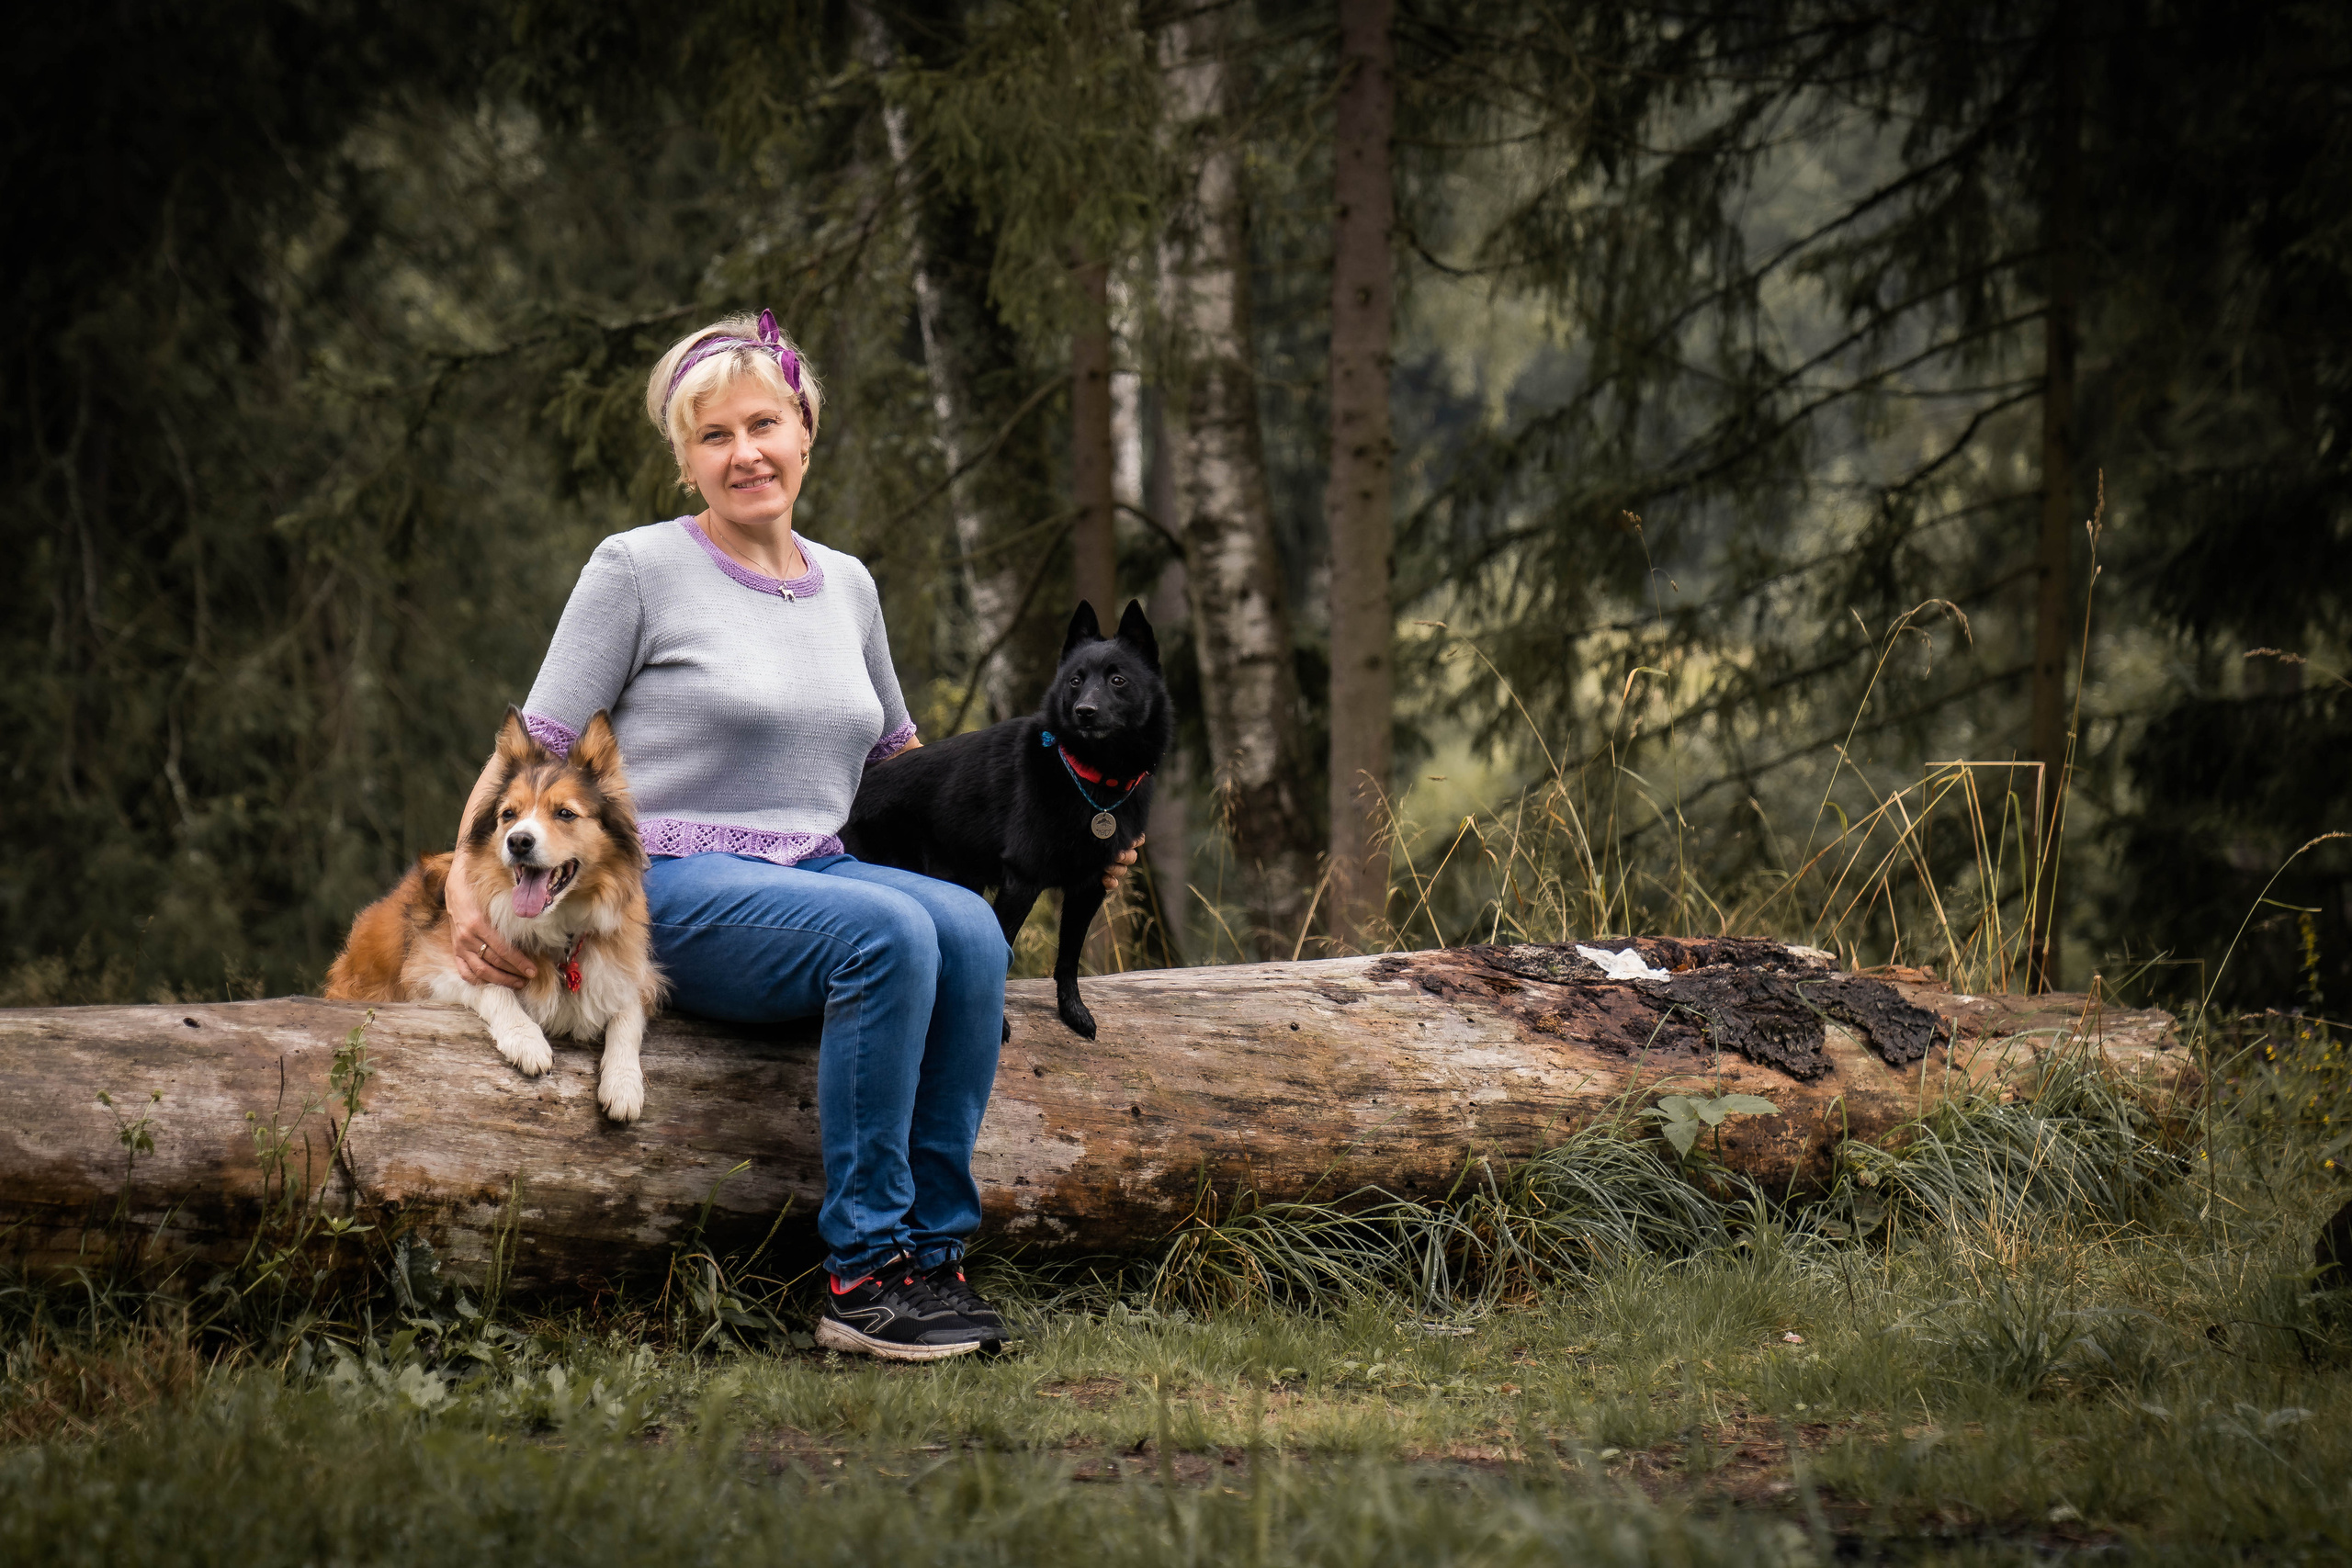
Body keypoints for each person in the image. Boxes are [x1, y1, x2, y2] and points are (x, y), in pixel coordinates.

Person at [441, 310, 1132, 1362]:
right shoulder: (634, 570)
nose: (745, 454)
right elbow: (525, 754)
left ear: (806, 430)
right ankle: (862, 1277)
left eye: (763, 425)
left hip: (825, 868)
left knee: (975, 937)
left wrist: (1058, 834)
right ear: (685, 460)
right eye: (713, 437)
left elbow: (900, 775)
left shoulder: (848, 585)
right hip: (671, 879)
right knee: (889, 940)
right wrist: (459, 888)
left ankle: (934, 1259)